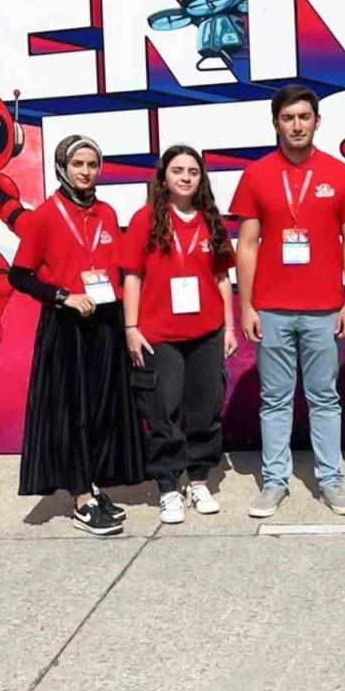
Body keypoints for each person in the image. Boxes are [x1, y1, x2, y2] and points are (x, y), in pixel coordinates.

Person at [231, 84, 345, 519]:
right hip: (271, 309)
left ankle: (331, 480)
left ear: (317, 121)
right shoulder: (257, 174)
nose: (297, 125)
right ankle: (274, 481)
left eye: (304, 117)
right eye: (288, 118)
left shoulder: (340, 174)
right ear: (276, 124)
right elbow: (247, 244)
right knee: (275, 400)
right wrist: (246, 306)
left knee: (325, 398)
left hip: (325, 309)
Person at [11, 136, 143, 536]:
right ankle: (81, 500)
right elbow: (18, 275)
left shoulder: (106, 212)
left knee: (102, 411)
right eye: (78, 164)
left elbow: (118, 269)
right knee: (73, 415)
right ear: (62, 168)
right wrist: (62, 296)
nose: (86, 172)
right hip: (67, 326)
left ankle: (92, 485)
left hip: (105, 323)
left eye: (92, 164)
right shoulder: (44, 216)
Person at [123, 146, 238, 525]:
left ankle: (199, 480)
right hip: (159, 334)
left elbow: (222, 277)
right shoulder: (145, 219)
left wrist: (228, 327)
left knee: (205, 411)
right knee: (163, 412)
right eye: (178, 170)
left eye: (193, 171)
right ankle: (169, 486)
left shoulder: (212, 221)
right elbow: (132, 276)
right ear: (164, 177)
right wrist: (131, 328)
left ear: (201, 178)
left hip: (206, 332)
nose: (186, 177)